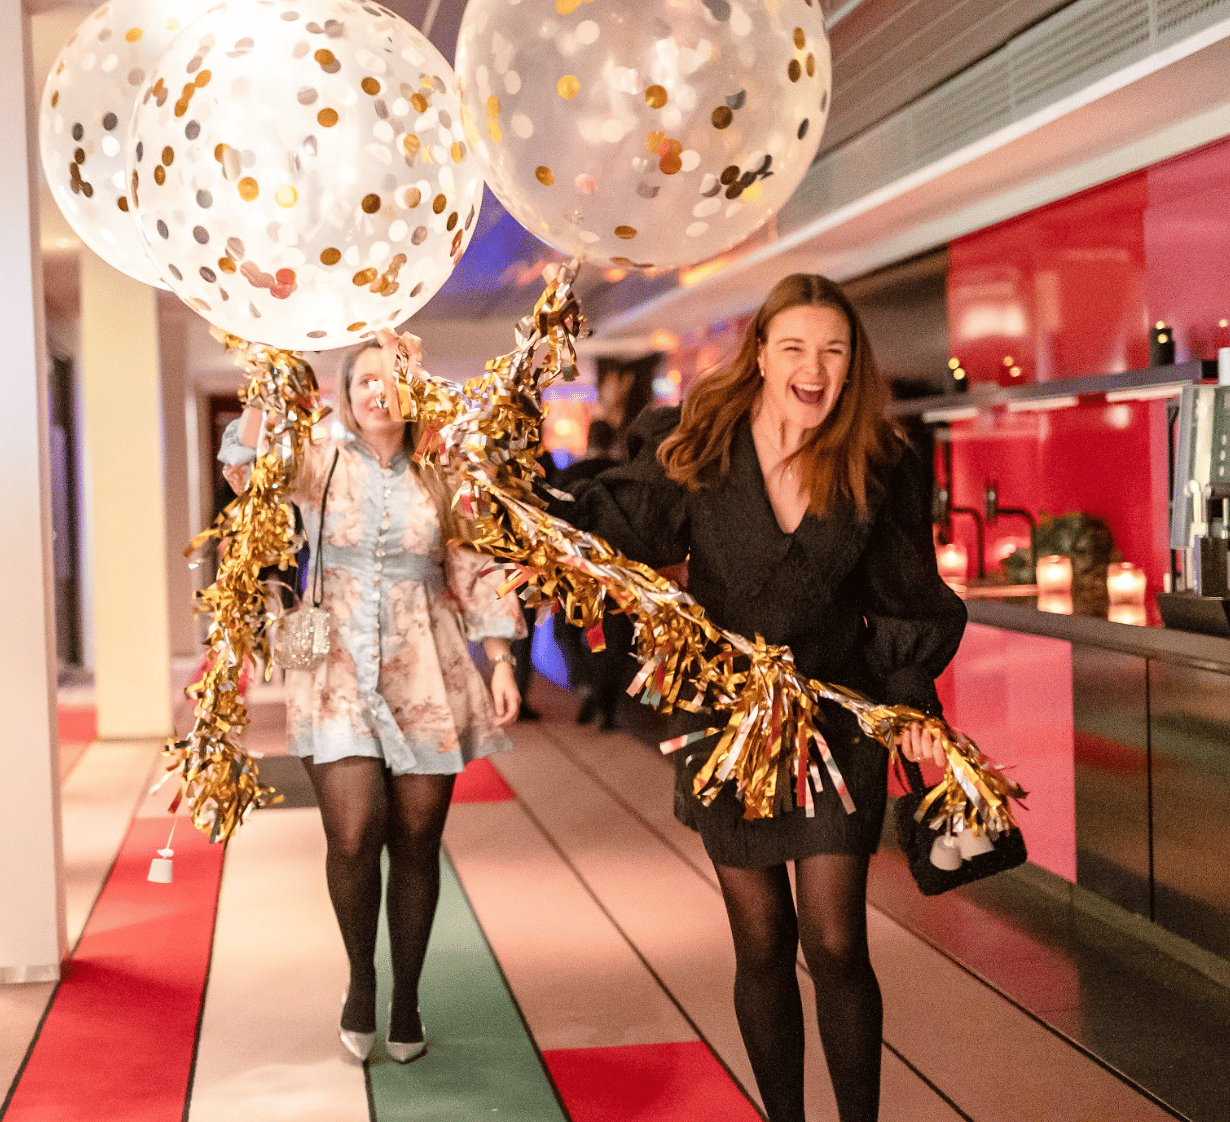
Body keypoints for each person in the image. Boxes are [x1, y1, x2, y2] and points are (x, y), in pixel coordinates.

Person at [544, 275, 967, 1121]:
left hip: (837, 720)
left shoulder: (878, 464)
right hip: (724, 729)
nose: (816, 369)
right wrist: (525, 504)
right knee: (763, 943)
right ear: (763, 354)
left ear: (852, 365)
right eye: (798, 348)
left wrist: (914, 705)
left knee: (837, 941)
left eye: (835, 351)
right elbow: (615, 530)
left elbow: (901, 593)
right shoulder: (695, 444)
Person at [219, 336, 524, 1065]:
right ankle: (362, 982)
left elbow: (475, 567)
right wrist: (263, 391)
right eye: (364, 381)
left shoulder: (446, 473)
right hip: (329, 662)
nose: (378, 392)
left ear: (413, 392)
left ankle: (407, 996)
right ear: (345, 395)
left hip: (428, 665)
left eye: (393, 380)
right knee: (354, 834)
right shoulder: (318, 461)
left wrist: (502, 658)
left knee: (416, 843)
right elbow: (243, 472)